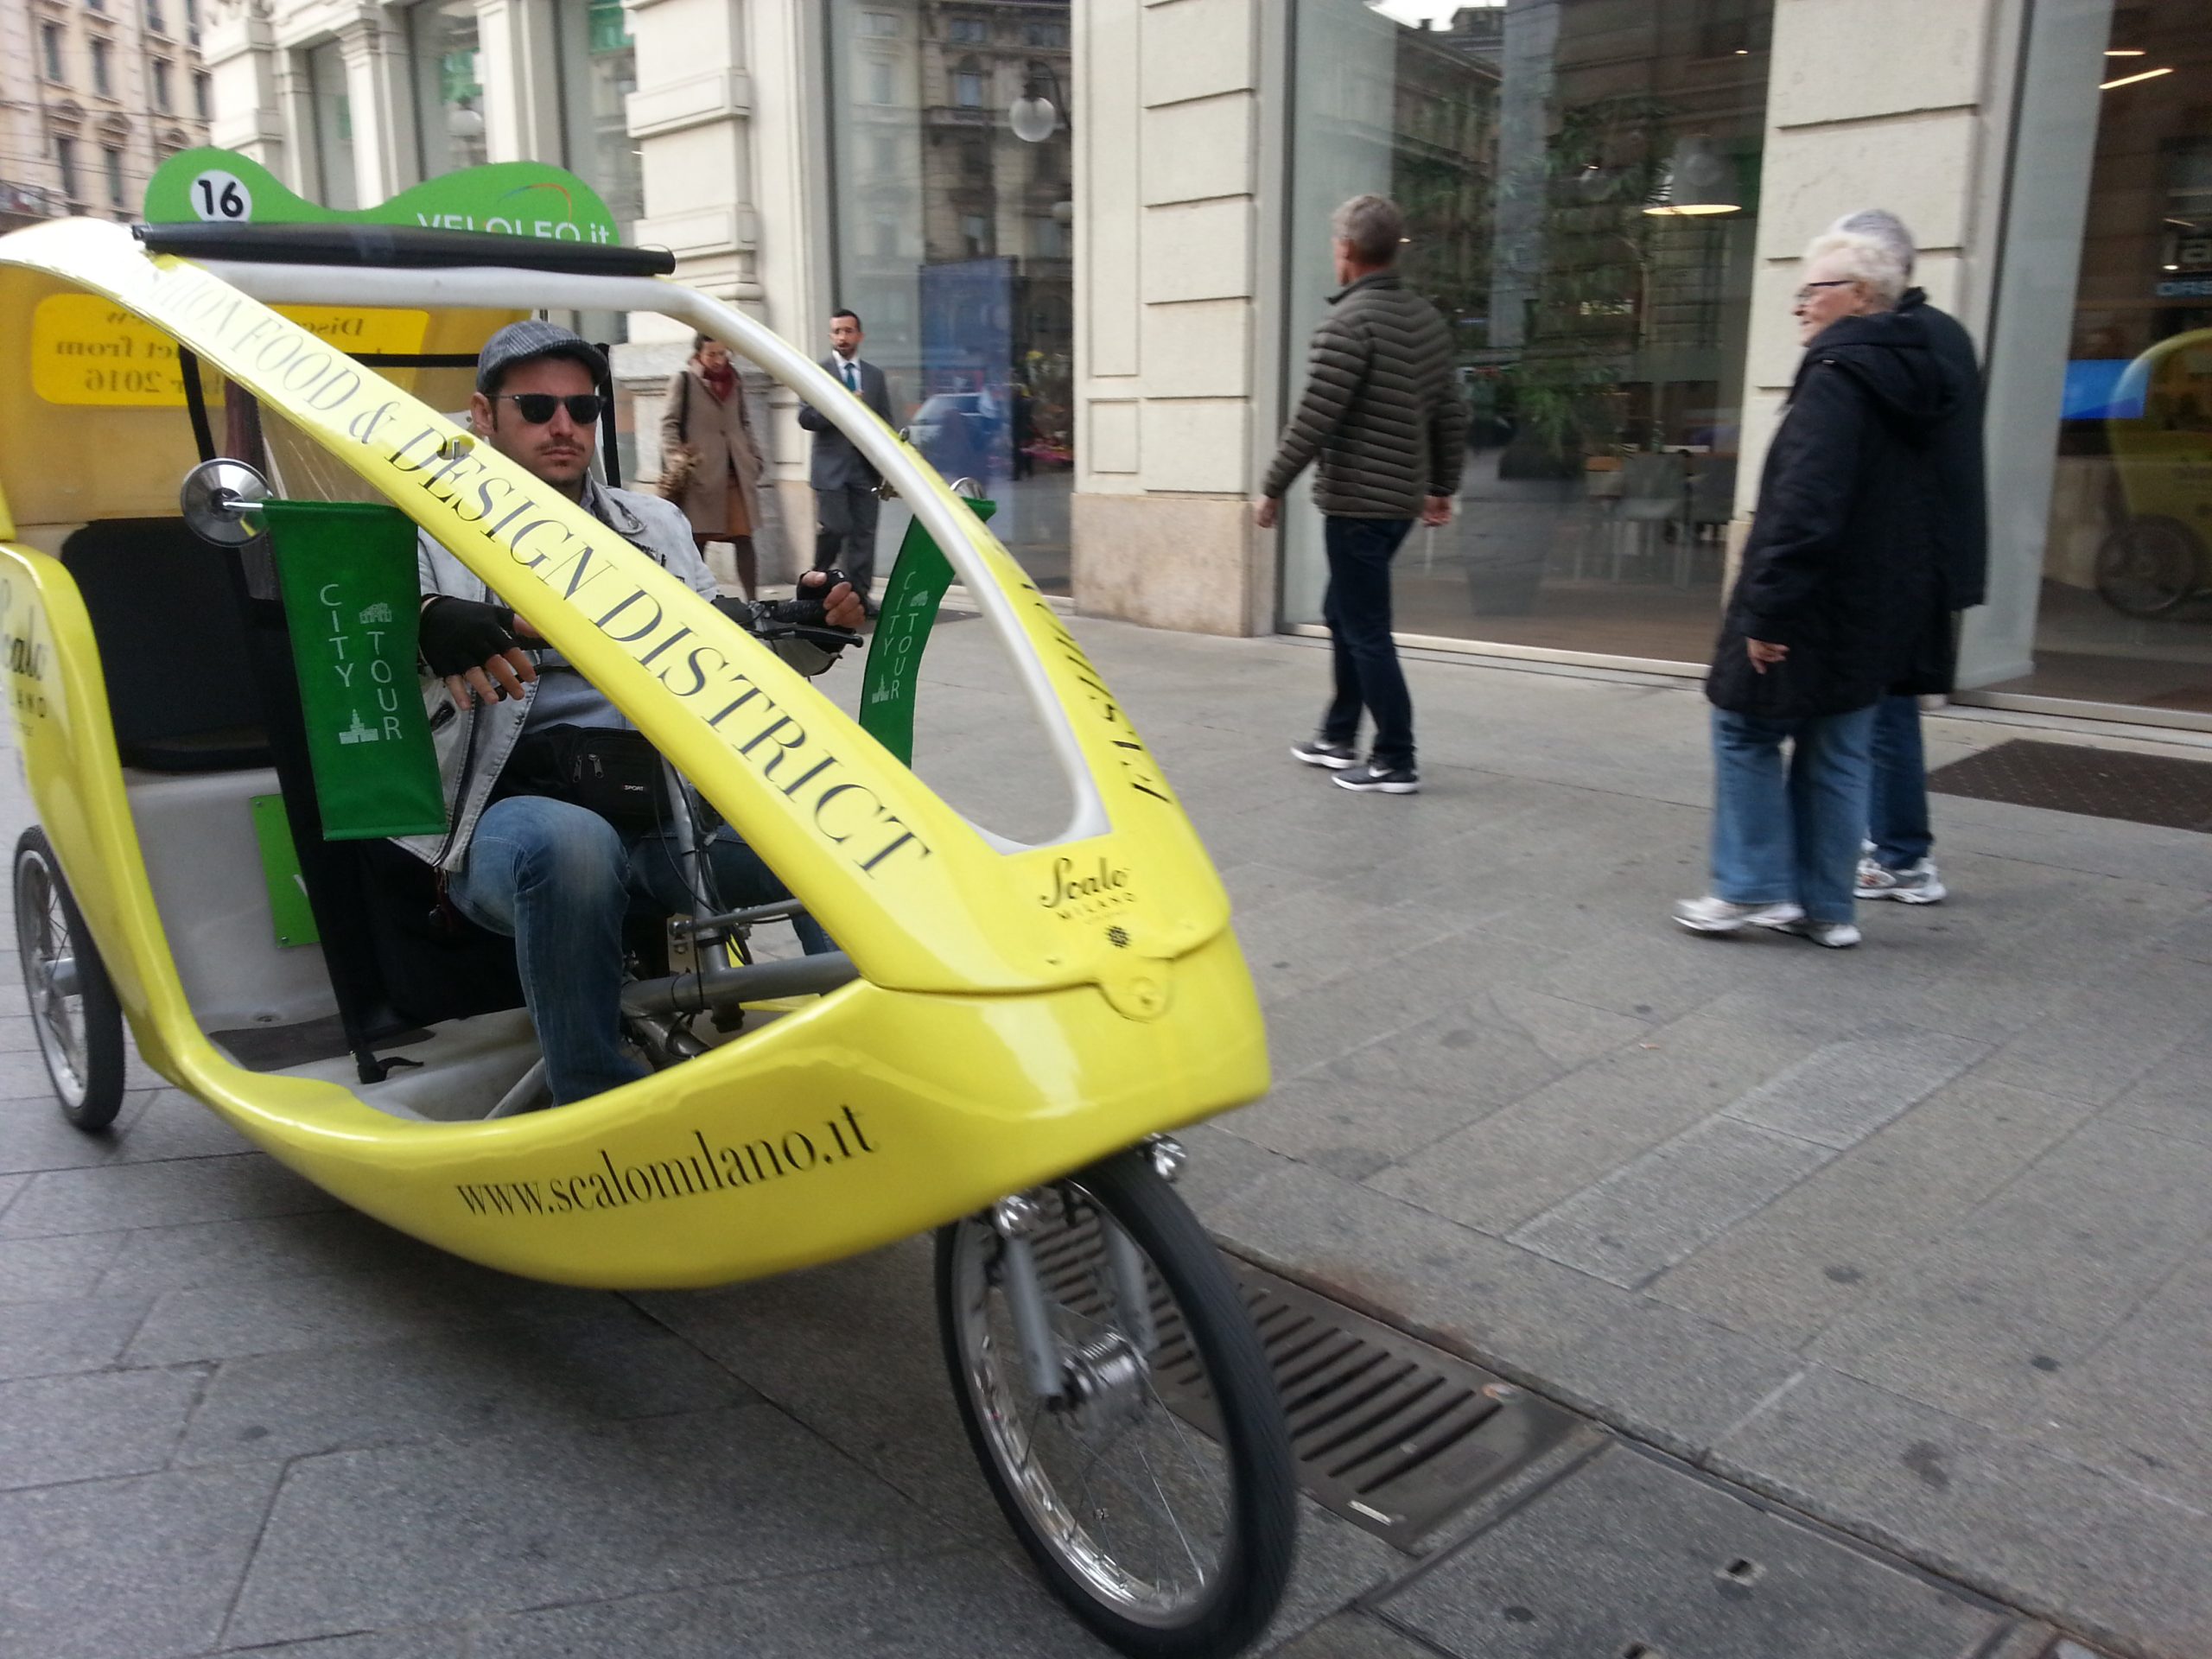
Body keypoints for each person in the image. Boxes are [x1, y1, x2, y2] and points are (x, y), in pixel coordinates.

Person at [397, 321, 866, 1105]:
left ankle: (890, 1044)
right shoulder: (426, 530)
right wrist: (425, 622)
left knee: (839, 814)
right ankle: (593, 1099)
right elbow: (371, 648)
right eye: (537, 407)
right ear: (483, 416)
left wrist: (809, 631)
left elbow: (723, 659)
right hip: (509, 827)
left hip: (667, 821)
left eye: (582, 408)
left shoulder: (657, 526)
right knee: (572, 843)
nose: (563, 426)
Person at [1674, 229, 1967, 949]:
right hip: (1879, 600)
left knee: (1742, 727)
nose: (1799, 305)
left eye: (1814, 290)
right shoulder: (1920, 372)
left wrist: (1769, 609)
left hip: (1815, 598)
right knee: (1838, 747)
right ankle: (1827, 908)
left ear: (1859, 297)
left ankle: (1748, 886)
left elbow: (1804, 503)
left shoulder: (1838, 375)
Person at [1256, 194, 1466, 795]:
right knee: (1341, 612)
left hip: (1357, 503)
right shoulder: (1426, 321)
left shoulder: (1349, 323)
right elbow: (1451, 413)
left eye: (1334, 243)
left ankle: (1395, 757)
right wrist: (1440, 487)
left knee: (1366, 628)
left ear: (1346, 249)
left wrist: (1272, 488)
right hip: (1397, 503)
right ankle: (1338, 734)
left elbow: (1314, 418)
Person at [1830, 210, 1988, 907]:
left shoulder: (1899, 341)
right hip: (1924, 547)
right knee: (1886, 702)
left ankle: (1899, 854)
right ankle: (1891, 845)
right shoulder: (1941, 334)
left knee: (1885, 704)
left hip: (1899, 553)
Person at [797, 308, 895, 613]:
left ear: (859, 336)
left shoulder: (875, 376)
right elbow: (806, 417)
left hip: (864, 469)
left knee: (864, 534)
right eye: (837, 332)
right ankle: (816, 582)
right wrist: (841, 407)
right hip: (831, 470)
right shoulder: (817, 373)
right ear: (831, 336)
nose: (842, 337)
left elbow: (885, 422)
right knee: (836, 527)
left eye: (848, 331)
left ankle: (860, 596)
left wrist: (888, 465)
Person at [660, 333, 766, 601]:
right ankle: (697, 600)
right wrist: (677, 459)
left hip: (736, 472)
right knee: (699, 541)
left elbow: (744, 421)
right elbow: (669, 424)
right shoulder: (684, 381)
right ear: (699, 354)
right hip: (702, 474)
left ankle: (753, 602)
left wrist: (754, 456)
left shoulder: (735, 380)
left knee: (744, 538)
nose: (719, 360)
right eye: (712, 355)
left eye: (722, 353)